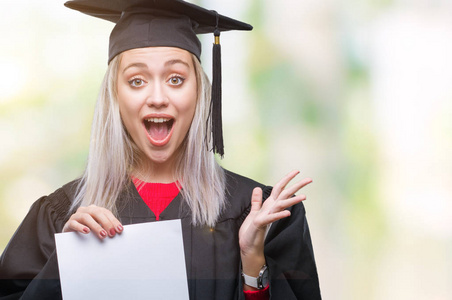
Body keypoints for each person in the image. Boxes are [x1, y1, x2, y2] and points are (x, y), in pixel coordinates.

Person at [0, 0, 321, 299]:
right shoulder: (62, 216)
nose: (157, 97)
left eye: (176, 79)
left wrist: (253, 261)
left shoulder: (261, 215)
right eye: (137, 80)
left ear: (200, 92)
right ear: (114, 95)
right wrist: (66, 263)